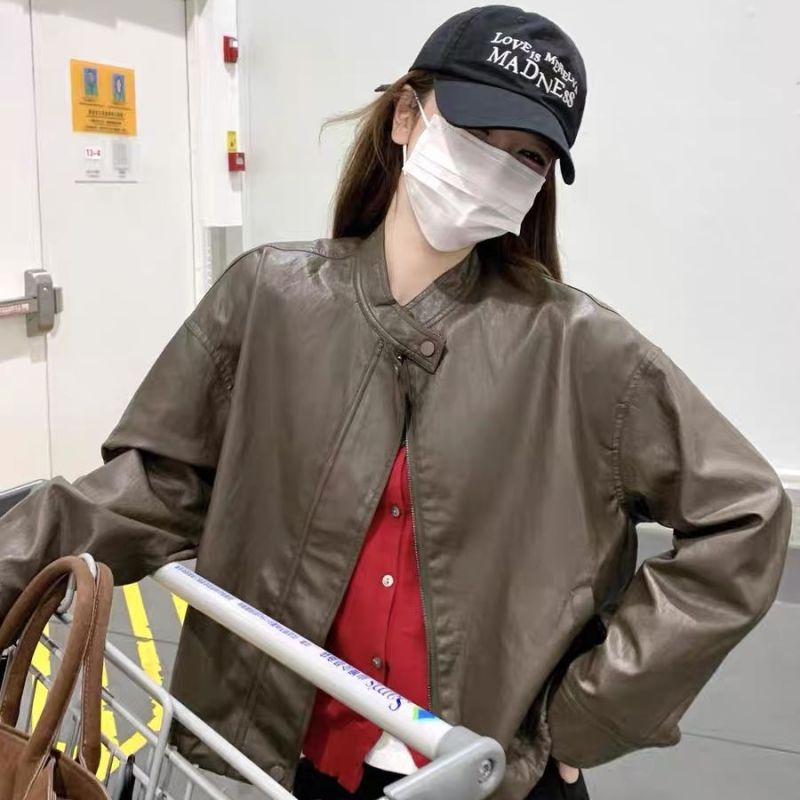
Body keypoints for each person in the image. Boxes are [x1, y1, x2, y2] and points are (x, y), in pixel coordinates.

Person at [0, 6, 792, 800]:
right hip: (293, 764)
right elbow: (152, 490)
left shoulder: (579, 347)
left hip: (479, 773)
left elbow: (746, 515)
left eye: (528, 156)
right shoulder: (269, 298)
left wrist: (592, 713)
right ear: (406, 116)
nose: (496, 167)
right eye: (477, 132)